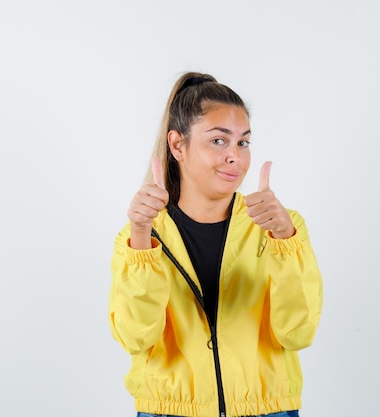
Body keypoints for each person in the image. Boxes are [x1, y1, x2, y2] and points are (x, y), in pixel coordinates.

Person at [109, 72, 323, 417]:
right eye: (219, 141)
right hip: (168, 411)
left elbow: (297, 334)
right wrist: (140, 238)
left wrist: (285, 242)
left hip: (267, 411)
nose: (235, 157)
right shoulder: (140, 237)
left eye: (243, 142)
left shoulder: (282, 228)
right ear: (177, 145)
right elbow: (135, 337)